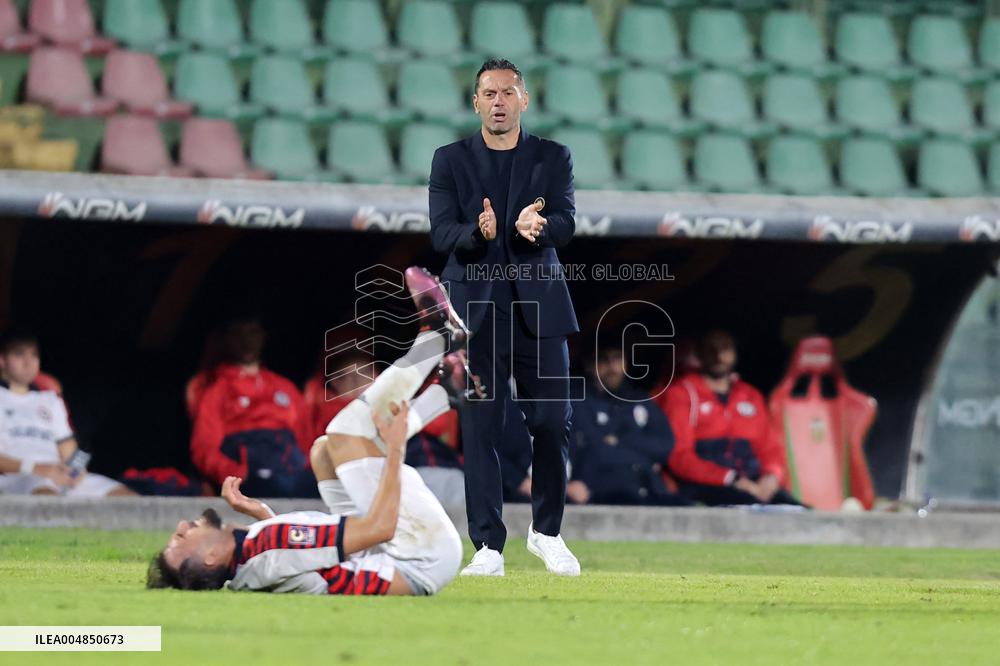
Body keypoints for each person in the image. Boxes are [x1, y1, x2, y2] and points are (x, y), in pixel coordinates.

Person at [147, 329, 463, 596]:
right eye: (181, 537)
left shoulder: (245, 567)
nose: (181, 526)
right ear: (211, 557)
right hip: (420, 559)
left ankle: (449, 392)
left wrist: (261, 514)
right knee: (344, 434)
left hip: (386, 557)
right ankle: (434, 338)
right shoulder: (270, 547)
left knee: (323, 452)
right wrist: (395, 451)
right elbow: (379, 528)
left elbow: (296, 559)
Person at [428, 57, 580, 576]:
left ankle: (548, 533)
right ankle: (488, 545)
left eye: (507, 92)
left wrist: (541, 226)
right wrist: (479, 233)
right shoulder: (449, 159)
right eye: (489, 93)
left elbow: (567, 222)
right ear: (476, 102)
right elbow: (441, 233)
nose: (498, 101)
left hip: (540, 309)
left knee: (552, 422)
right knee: (481, 427)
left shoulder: (553, 156)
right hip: (475, 312)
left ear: (524, 99)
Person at [657, 330, 799, 506]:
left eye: (724, 349)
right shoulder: (681, 394)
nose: (718, 357)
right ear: (700, 355)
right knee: (748, 509)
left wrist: (771, 477)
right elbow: (679, 456)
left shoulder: (750, 395)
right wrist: (730, 478)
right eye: (711, 350)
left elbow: (770, 448)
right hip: (708, 484)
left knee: (799, 514)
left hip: (754, 481)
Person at [190, 314, 316, 497]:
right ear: (228, 339)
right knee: (280, 487)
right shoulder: (218, 389)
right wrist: (239, 475)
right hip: (252, 475)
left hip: (290, 471)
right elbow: (204, 449)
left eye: (252, 332)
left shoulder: (284, 387)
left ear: (263, 336)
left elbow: (306, 441)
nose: (246, 340)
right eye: (238, 334)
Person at [0, 330, 134, 496]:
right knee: (46, 495)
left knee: (126, 496)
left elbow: (69, 449)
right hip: (18, 476)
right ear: (2, 360)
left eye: (34, 355)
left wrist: (76, 471)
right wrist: (38, 469)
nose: (29, 363)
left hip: (57, 476)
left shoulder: (51, 400)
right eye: (20, 355)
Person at [569, 346, 687, 506]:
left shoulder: (639, 399)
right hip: (599, 491)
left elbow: (665, 445)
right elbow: (590, 447)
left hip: (647, 487)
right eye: (603, 359)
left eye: (617, 358)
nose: (612, 366)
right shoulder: (575, 402)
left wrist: (620, 440)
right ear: (590, 364)